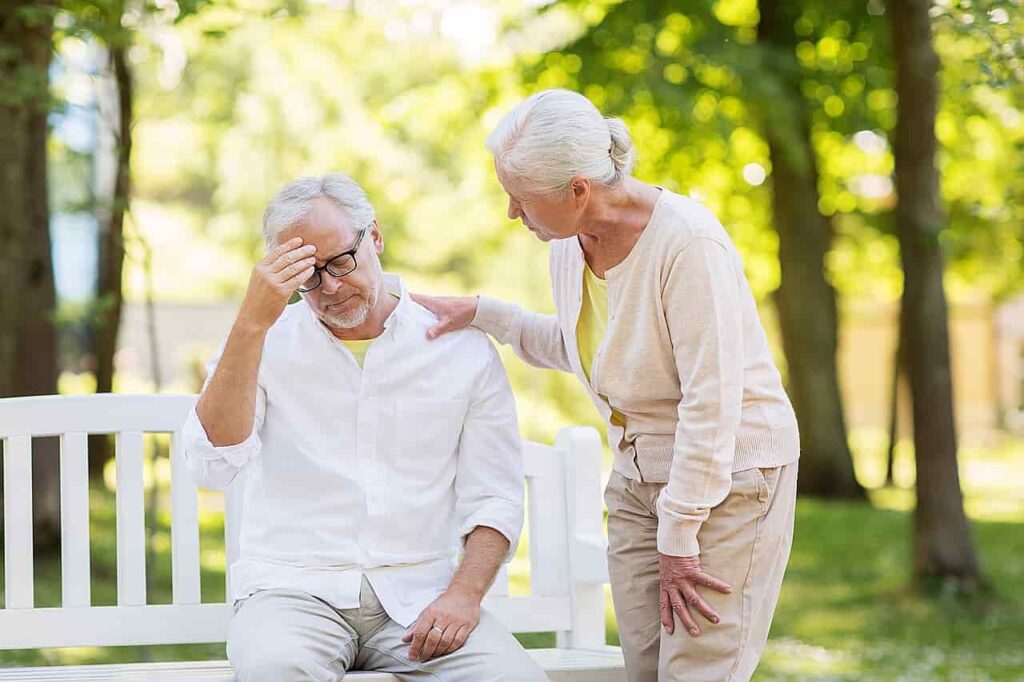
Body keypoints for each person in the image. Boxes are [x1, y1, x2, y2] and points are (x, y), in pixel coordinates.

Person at [414, 89, 800, 681]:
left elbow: (710, 400)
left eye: (521, 199)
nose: (512, 214)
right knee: (646, 670)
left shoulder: (688, 244)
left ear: (578, 190)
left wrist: (681, 532)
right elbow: (593, 349)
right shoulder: (571, 244)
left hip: (727, 477)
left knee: (695, 671)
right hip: (638, 477)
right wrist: (482, 313)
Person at [182, 173, 547, 682]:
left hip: (420, 599)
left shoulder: (458, 349)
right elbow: (212, 464)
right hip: (294, 594)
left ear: (374, 236)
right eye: (307, 276)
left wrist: (463, 597)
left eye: (340, 262)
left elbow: (496, 497)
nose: (329, 287)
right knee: (274, 672)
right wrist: (250, 323)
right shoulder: (262, 340)